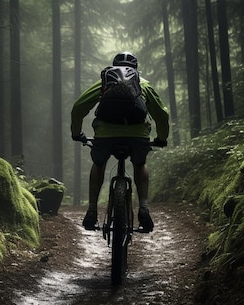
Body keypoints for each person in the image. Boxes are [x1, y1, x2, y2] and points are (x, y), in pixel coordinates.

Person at [70, 51, 170, 232]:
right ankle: (144, 208)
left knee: (99, 164)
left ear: (114, 66)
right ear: (135, 69)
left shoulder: (105, 82)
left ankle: (92, 210)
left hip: (105, 134)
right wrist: (162, 138)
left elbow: (78, 107)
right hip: (137, 135)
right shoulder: (143, 84)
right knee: (140, 164)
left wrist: (76, 133)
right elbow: (162, 115)